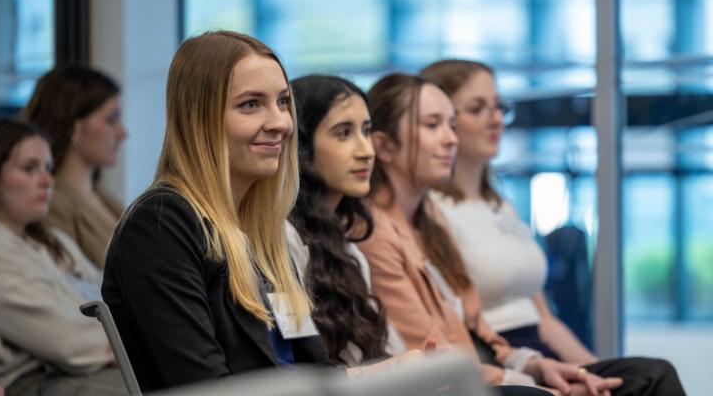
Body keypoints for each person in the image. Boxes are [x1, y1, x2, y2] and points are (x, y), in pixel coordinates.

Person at [101, 32, 418, 393]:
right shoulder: (161, 225)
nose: (281, 122)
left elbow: (314, 367)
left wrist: (389, 374)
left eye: (283, 102)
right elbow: (207, 388)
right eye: (251, 105)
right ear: (200, 119)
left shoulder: (263, 230)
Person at [422, 59, 686, 395]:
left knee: (646, 375)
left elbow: (545, 320)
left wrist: (596, 370)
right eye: (478, 109)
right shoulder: (431, 211)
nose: (496, 119)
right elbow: (454, 325)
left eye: (500, 107)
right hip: (499, 358)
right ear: (442, 120)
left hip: (541, 353)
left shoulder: (501, 205)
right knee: (654, 376)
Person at [358, 73, 623, 396]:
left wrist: (536, 365)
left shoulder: (430, 224)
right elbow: (433, 351)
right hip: (457, 383)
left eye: (451, 125)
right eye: (432, 125)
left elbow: (479, 330)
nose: (450, 139)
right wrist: (529, 382)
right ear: (383, 146)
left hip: (490, 369)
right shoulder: (376, 232)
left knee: (642, 376)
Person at [0, 118, 124, 395]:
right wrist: (139, 340)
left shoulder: (53, 241)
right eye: (29, 168)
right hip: (35, 380)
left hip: (90, 364)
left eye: (48, 168)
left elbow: (109, 299)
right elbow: (66, 343)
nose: (46, 181)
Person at [287, 74, 406, 365]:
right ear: (302, 146)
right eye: (343, 134)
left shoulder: (348, 249)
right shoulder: (283, 238)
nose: (366, 151)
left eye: (366, 131)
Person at [23, 65, 127, 268]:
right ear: (74, 127)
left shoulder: (103, 198)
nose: (122, 132)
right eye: (111, 119)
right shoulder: (49, 204)